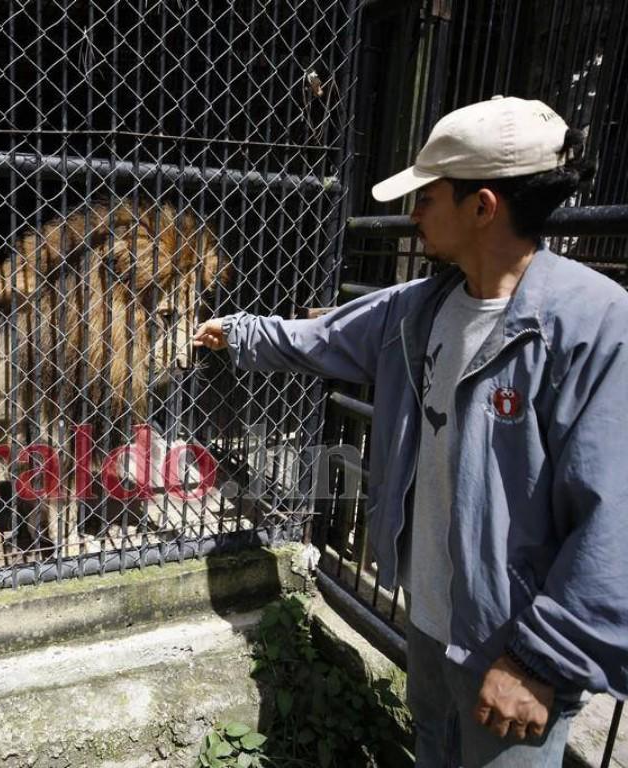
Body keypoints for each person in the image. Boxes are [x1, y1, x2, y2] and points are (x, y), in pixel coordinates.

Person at [193, 95, 628, 767]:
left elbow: (616, 521)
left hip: (516, 651)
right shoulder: (423, 306)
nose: (414, 212)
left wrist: (542, 659)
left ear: (482, 207)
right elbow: (321, 338)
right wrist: (236, 333)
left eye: (428, 196)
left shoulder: (594, 326)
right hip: (430, 619)